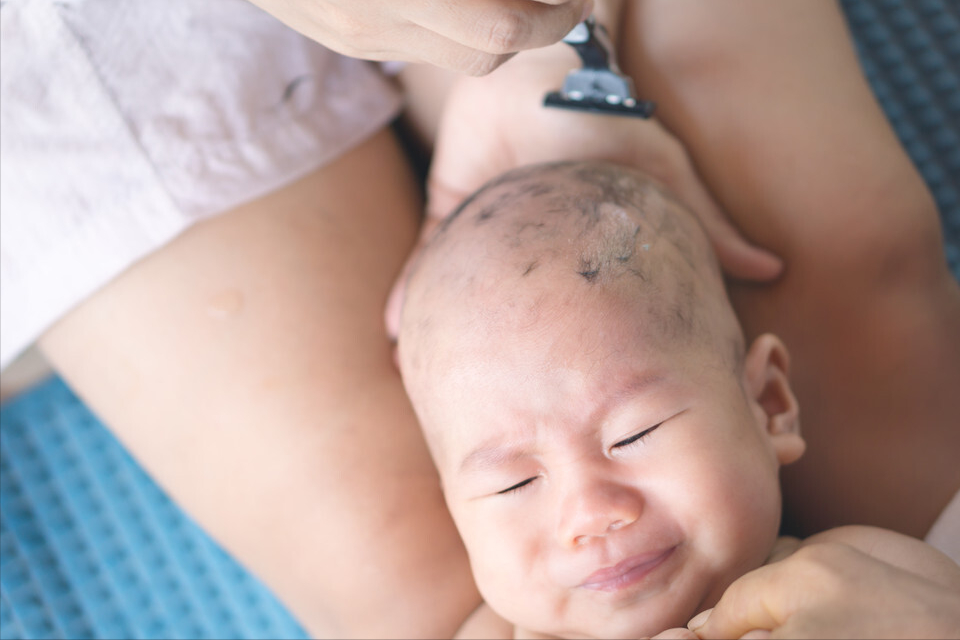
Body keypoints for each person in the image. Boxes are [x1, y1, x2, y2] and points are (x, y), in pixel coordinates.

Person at [394, 159, 960, 639]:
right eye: (512, 483)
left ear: (768, 404)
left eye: (633, 434)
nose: (591, 513)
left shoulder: (864, 572)